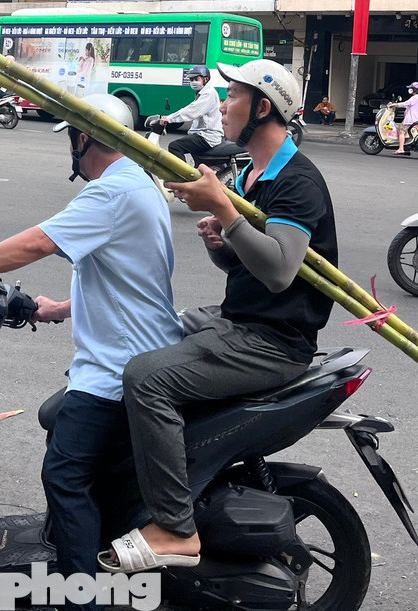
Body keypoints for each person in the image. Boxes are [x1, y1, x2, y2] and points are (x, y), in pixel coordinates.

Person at [0, 94, 182, 605]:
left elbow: (36, 244)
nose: (69, 146)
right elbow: (125, 277)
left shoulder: (109, 195)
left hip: (117, 369)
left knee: (63, 471)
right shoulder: (137, 183)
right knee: (54, 421)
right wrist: (57, 308)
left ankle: (79, 597)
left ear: (86, 138)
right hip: (139, 347)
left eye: (71, 136)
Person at [105, 60, 335, 573]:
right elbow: (248, 261)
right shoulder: (255, 171)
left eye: (232, 96)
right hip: (240, 317)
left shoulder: (297, 181)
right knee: (148, 326)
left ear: (263, 108)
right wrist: (221, 241)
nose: (223, 104)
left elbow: (279, 270)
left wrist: (227, 213)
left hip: (272, 339)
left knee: (146, 380)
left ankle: (174, 528)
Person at [155, 65, 223, 163]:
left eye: (196, 78)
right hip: (201, 134)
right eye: (191, 79)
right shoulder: (202, 92)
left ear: (206, 79)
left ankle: (181, 177)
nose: (193, 82)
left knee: (175, 147)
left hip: (207, 137)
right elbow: (190, 108)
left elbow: (192, 111)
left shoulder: (209, 93)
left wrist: (169, 119)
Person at [394, 81, 418, 155]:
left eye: (411, 88)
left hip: (412, 120)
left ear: (414, 90)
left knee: (401, 131)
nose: (409, 89)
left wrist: (395, 104)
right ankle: (406, 147)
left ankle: (401, 149)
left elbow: (406, 103)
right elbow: (408, 105)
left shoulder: (414, 98)